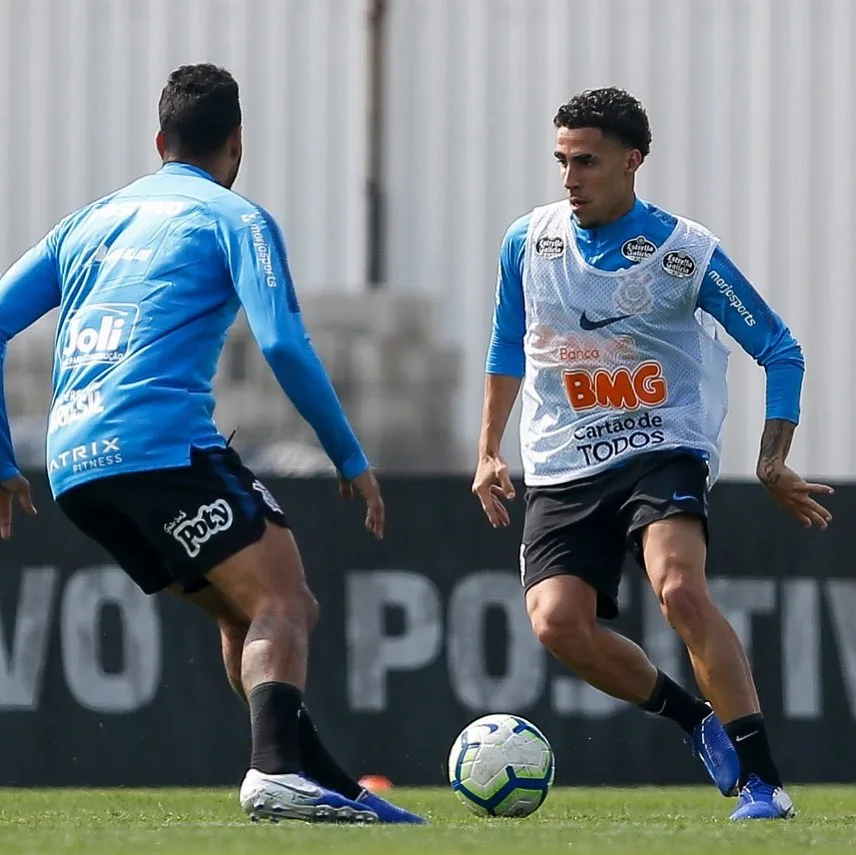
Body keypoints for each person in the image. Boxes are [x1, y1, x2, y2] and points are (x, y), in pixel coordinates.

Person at [0, 63, 424, 826]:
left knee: (245, 613)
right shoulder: (236, 217)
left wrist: (2, 461)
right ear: (236, 143)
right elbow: (285, 346)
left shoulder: (88, 221)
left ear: (159, 140)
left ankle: (323, 781)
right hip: (160, 446)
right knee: (286, 599)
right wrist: (350, 456)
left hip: (73, 468)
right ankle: (274, 772)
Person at [471, 86, 833, 821]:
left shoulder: (683, 253)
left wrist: (771, 458)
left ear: (633, 162)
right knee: (555, 623)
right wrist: (487, 450)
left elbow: (781, 348)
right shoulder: (527, 242)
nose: (570, 178)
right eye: (562, 161)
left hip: (660, 447)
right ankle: (692, 718)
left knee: (678, 589)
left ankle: (764, 781)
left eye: (588, 163)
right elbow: (508, 345)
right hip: (561, 463)